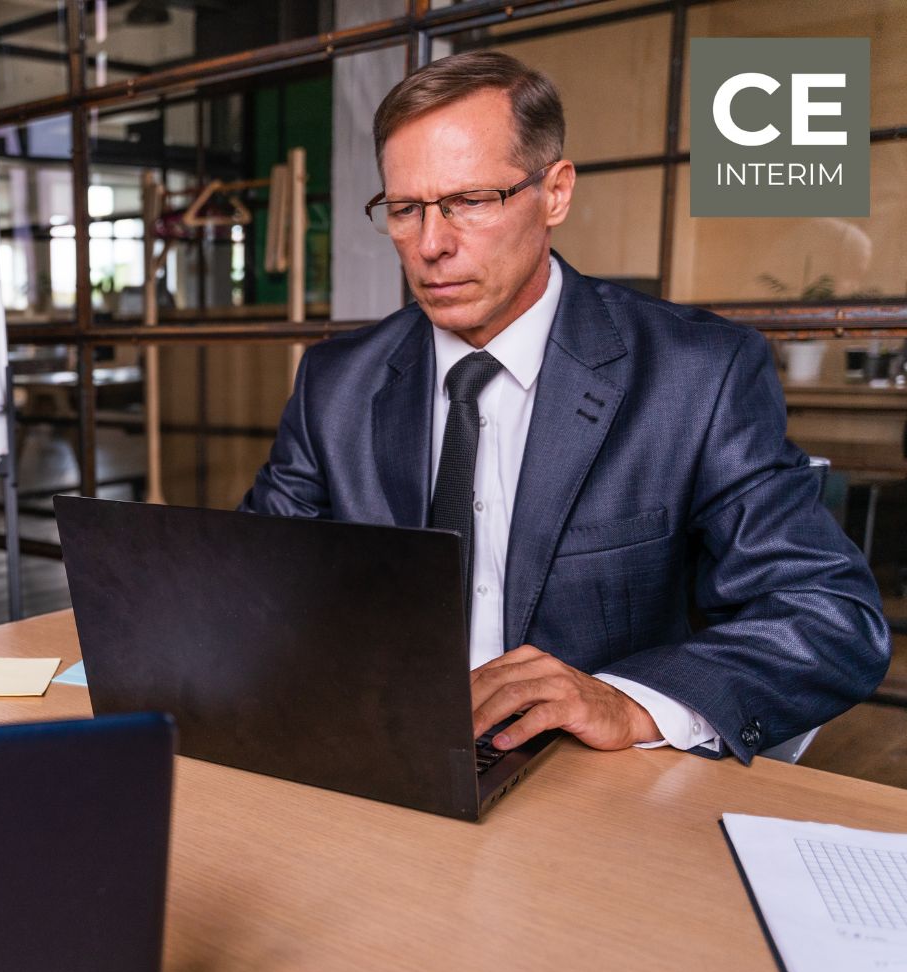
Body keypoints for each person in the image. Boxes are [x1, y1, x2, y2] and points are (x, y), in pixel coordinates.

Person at [240, 52, 887, 763]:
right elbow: (255, 582)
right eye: (405, 209)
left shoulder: (696, 375)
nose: (430, 245)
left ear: (555, 192)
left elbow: (831, 620)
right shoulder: (337, 381)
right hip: (379, 748)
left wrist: (628, 699)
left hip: (582, 782)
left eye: (470, 201)